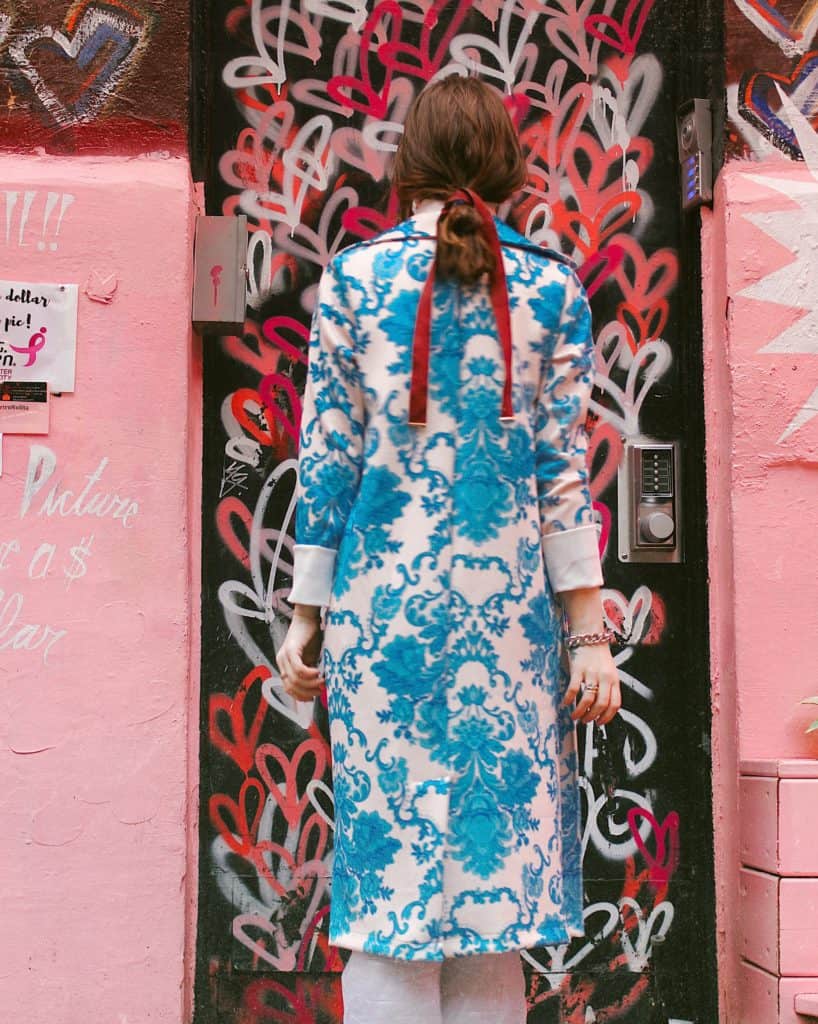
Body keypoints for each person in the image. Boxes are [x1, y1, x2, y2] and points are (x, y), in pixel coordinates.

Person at [277, 76, 621, 1024]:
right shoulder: (553, 290)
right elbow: (563, 474)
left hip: (382, 627)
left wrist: (307, 614)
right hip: (508, 635)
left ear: (410, 162)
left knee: (389, 891)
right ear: (507, 166)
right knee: (491, 894)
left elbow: (327, 460)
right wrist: (586, 636)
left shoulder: (354, 280)